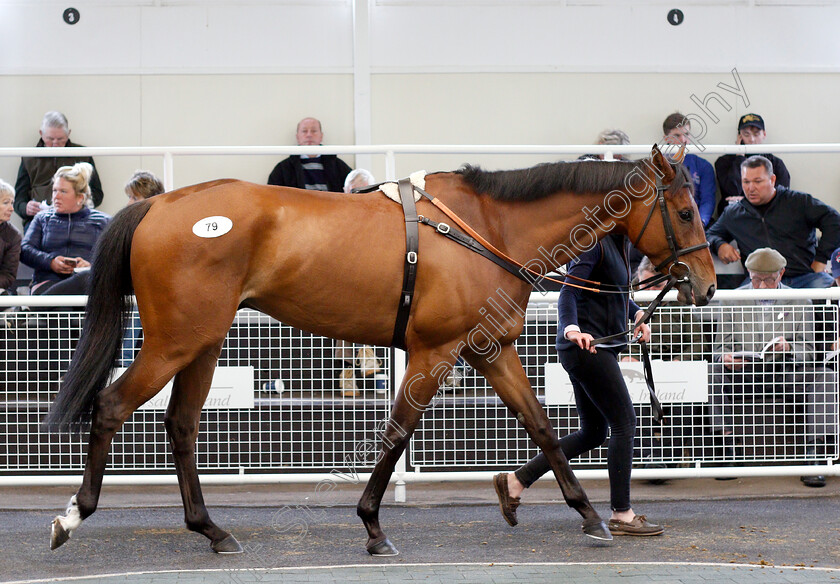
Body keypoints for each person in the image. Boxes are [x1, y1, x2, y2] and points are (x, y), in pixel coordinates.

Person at [493, 234, 664, 536]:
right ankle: (622, 514)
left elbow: (611, 290)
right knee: (624, 424)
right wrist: (571, 328)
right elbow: (569, 291)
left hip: (595, 346)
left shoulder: (619, 241)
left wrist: (635, 312)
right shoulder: (594, 242)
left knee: (594, 432)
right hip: (587, 347)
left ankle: (515, 481)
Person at [710, 248, 836, 488]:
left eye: (769, 279)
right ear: (748, 273)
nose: (763, 285)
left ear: (782, 274)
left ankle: (816, 452)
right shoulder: (731, 299)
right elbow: (718, 349)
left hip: (786, 372)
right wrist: (725, 358)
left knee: (825, 377)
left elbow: (809, 350)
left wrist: (789, 347)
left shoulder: (800, 300)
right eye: (756, 279)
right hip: (744, 373)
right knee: (710, 374)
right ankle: (726, 447)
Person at [706, 155, 840, 289]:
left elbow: (834, 221)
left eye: (758, 181)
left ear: (772, 179)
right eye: (746, 182)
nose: (751, 188)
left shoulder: (798, 202)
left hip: (805, 277)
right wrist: (720, 245)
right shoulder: (734, 213)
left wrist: (821, 260)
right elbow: (709, 235)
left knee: (831, 296)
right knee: (731, 304)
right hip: (758, 282)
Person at [20, 163, 110, 294]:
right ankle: (37, 306)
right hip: (47, 283)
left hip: (86, 286)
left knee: (84, 278)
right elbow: (25, 250)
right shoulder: (42, 218)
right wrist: (50, 262)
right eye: (55, 190)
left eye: (63, 191)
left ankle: (31, 308)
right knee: (63, 310)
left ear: (80, 197)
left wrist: (90, 265)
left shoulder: (103, 221)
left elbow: (112, 259)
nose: (56, 196)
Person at [334, 169, 383, 397]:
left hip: (372, 286)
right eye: (355, 190)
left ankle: (359, 360)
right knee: (344, 311)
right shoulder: (337, 213)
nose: (359, 194)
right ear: (345, 191)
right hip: (343, 283)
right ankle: (356, 362)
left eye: (365, 190)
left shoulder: (379, 217)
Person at [14, 111, 104, 233]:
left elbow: (97, 194)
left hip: (77, 218)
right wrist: (26, 208)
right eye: (50, 139)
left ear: (69, 134)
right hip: (38, 220)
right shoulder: (29, 157)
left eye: (60, 139)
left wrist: (79, 205)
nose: (55, 144)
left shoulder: (82, 155)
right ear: (41, 134)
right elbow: (18, 198)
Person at [714, 113, 790, 218]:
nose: (752, 139)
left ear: (764, 134)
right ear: (739, 136)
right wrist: (739, 157)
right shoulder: (724, 162)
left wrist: (744, 200)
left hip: (766, 216)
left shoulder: (776, 164)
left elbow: (782, 198)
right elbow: (734, 189)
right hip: (735, 217)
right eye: (746, 134)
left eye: (756, 134)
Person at [267, 117, 351, 192]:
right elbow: (272, 196)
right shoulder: (283, 168)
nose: (309, 135)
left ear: (321, 136)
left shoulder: (337, 165)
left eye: (314, 131)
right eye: (304, 131)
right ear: (297, 137)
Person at [661, 113, 715, 227]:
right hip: (664, 223)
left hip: (695, 222)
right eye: (677, 135)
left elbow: (708, 200)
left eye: (686, 134)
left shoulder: (703, 166)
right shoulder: (656, 165)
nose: (683, 140)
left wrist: (701, 222)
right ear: (666, 138)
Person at [0, 180, 21, 295]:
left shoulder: (13, 235)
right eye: (6, 203)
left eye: (12, 203)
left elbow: (8, 275)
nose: (11, 208)